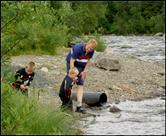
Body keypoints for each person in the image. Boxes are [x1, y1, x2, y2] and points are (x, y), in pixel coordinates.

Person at [66, 39, 97, 113]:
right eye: (88, 48)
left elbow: (88, 61)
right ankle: (66, 104)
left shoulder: (91, 51)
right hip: (72, 63)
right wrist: (73, 72)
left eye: (91, 49)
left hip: (82, 65)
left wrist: (84, 71)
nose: (89, 50)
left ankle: (79, 107)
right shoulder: (78, 48)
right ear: (87, 44)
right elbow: (72, 61)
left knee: (80, 84)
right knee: (70, 83)